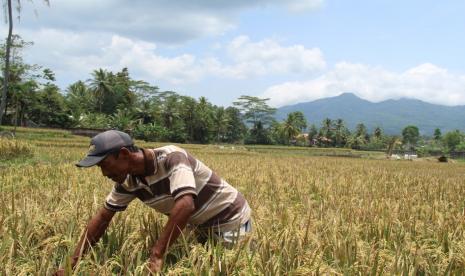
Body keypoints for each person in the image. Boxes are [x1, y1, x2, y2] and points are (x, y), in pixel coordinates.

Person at [55, 130, 252, 274]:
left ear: (124, 154)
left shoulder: (172, 158)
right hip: (200, 225)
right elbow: (103, 218)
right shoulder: (128, 181)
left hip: (230, 220)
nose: (104, 173)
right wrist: (73, 262)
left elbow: (185, 204)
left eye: (105, 164)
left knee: (227, 269)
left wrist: (157, 253)